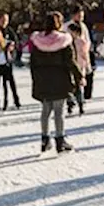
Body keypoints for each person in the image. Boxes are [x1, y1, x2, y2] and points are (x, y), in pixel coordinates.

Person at [29, 12, 83, 154]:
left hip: (43, 79)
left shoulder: (37, 41)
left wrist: (35, 79)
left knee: (46, 110)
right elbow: (70, 61)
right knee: (59, 111)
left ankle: (45, 139)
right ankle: (60, 140)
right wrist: (79, 76)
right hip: (60, 79)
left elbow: (32, 63)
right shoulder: (64, 41)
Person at [70, 8, 96, 100]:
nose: (81, 18)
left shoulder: (84, 26)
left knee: (87, 74)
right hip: (74, 55)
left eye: (82, 16)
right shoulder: (68, 26)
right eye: (79, 16)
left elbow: (88, 40)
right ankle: (75, 96)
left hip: (84, 54)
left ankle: (86, 95)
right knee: (75, 77)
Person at [66, 22, 90, 116]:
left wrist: (87, 65)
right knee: (69, 86)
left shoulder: (81, 42)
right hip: (70, 67)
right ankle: (70, 103)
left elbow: (85, 55)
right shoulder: (67, 42)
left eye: (70, 31)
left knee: (79, 86)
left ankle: (80, 104)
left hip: (79, 66)